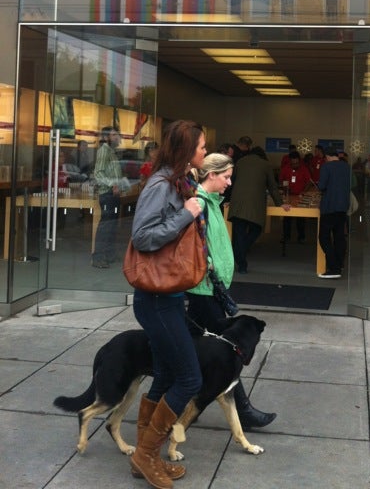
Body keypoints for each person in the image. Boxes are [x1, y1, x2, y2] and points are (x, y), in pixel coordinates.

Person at [129, 119, 207, 487]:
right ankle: (145, 455)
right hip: (156, 300)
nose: (205, 152)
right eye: (202, 147)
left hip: (168, 298)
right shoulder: (161, 185)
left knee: (165, 375)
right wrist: (186, 215)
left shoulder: (178, 182)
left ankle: (145, 457)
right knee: (189, 378)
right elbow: (143, 237)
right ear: (186, 150)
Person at [186, 152, 277, 429]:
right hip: (204, 291)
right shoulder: (200, 204)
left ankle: (186, 400)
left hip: (211, 289)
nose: (229, 183)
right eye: (226, 177)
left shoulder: (211, 203)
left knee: (198, 351)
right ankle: (244, 411)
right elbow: (195, 248)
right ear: (211, 175)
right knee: (228, 352)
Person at [227, 146, 288, 274]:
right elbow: (272, 187)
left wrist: (227, 199)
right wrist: (280, 204)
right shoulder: (266, 165)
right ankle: (241, 258)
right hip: (255, 206)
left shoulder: (240, 162)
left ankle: (240, 260)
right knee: (256, 229)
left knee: (239, 234)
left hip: (237, 204)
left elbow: (231, 181)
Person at [92, 126, 124, 268]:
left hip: (114, 193)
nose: (116, 137)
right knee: (105, 226)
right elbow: (98, 174)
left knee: (111, 225)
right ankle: (98, 257)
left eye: (117, 135)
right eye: (113, 135)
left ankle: (109, 254)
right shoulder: (104, 151)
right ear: (106, 137)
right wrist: (112, 184)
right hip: (107, 193)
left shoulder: (112, 152)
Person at [317, 147, 351, 279]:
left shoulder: (327, 167)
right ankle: (340, 263)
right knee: (339, 237)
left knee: (324, 237)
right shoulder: (347, 167)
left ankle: (334, 267)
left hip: (329, 206)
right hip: (342, 206)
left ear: (327, 157)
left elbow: (322, 186)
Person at [279, 150, 313, 243]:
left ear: (300, 161)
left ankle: (301, 237)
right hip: (289, 196)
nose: (295, 165)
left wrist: (303, 192)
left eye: (297, 163)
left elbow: (309, 182)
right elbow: (281, 180)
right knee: (287, 218)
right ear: (290, 161)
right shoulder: (285, 168)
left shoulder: (304, 168)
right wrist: (285, 188)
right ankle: (286, 236)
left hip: (300, 196)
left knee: (301, 218)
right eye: (293, 163)